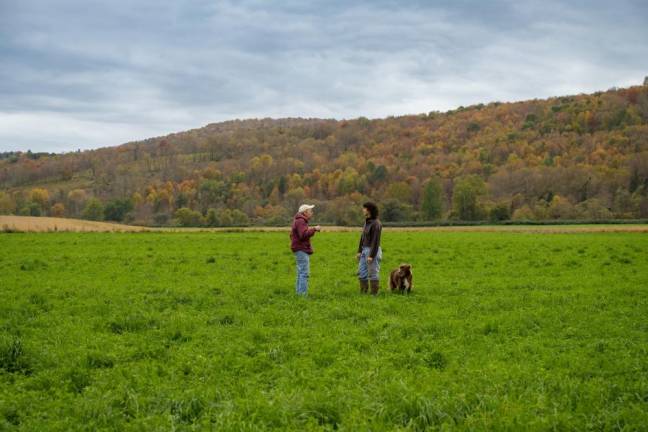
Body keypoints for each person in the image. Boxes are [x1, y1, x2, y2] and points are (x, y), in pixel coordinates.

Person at [290, 204, 321, 296]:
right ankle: (302, 295)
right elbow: (303, 235)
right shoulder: (301, 221)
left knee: (300, 272)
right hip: (301, 249)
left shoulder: (298, 220)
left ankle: (299, 294)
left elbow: (292, 235)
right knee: (304, 273)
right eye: (310, 211)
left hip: (299, 248)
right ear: (305, 212)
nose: (312, 213)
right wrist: (314, 229)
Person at [357, 201, 382, 295]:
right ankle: (363, 293)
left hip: (372, 251)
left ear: (369, 210)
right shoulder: (366, 222)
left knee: (373, 273)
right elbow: (362, 237)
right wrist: (359, 251)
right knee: (361, 272)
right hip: (364, 250)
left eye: (364, 208)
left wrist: (371, 255)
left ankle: (374, 294)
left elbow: (376, 241)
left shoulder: (376, 224)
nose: (363, 210)